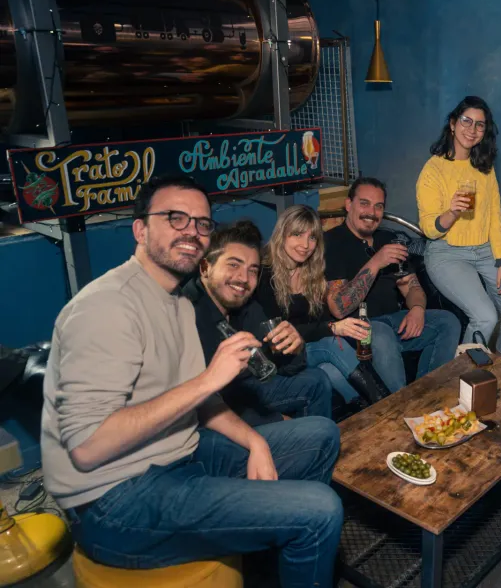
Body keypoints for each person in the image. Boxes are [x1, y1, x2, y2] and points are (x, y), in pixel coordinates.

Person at [41, 176, 342, 587]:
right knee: (321, 510)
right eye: (175, 217)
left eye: (202, 223)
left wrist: (255, 442)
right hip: (113, 502)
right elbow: (87, 449)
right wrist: (208, 380)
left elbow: (202, 404)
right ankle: (292, 533)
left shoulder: (178, 303)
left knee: (323, 434)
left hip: (179, 456)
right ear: (140, 229)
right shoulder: (106, 307)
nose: (192, 231)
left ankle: (276, 554)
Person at [182, 220, 331, 423]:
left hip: (246, 389)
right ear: (205, 267)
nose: (243, 278)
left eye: (252, 270)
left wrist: (294, 348)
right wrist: (273, 419)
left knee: (317, 380)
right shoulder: (185, 315)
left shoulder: (247, 306)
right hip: (212, 415)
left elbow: (282, 366)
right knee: (323, 432)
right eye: (233, 265)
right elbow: (202, 404)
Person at [324, 177, 461, 392]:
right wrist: (377, 261)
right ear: (348, 205)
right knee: (379, 332)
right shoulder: (332, 242)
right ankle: (402, 405)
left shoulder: (388, 238)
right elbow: (338, 308)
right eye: (364, 203)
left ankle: (428, 396)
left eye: (378, 206)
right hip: (359, 329)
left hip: (393, 323)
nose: (371, 212)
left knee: (448, 321)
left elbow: (412, 287)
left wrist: (417, 309)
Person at [255, 204, 392, 406]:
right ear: (282, 235)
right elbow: (279, 333)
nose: (305, 245)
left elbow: (322, 320)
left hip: (313, 348)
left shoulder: (314, 271)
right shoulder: (264, 275)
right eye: (297, 235)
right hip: (284, 355)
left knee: (333, 372)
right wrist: (332, 328)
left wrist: (333, 329)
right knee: (329, 346)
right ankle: (387, 404)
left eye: (312, 238)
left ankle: (373, 412)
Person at [416, 95, 501, 355]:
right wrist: (452, 211)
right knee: (486, 317)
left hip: (485, 250)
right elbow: (429, 229)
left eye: (479, 125)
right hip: (446, 252)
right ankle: (465, 382)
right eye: (466, 121)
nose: (471, 130)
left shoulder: (484, 168)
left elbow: (495, 219)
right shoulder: (433, 170)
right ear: (452, 124)